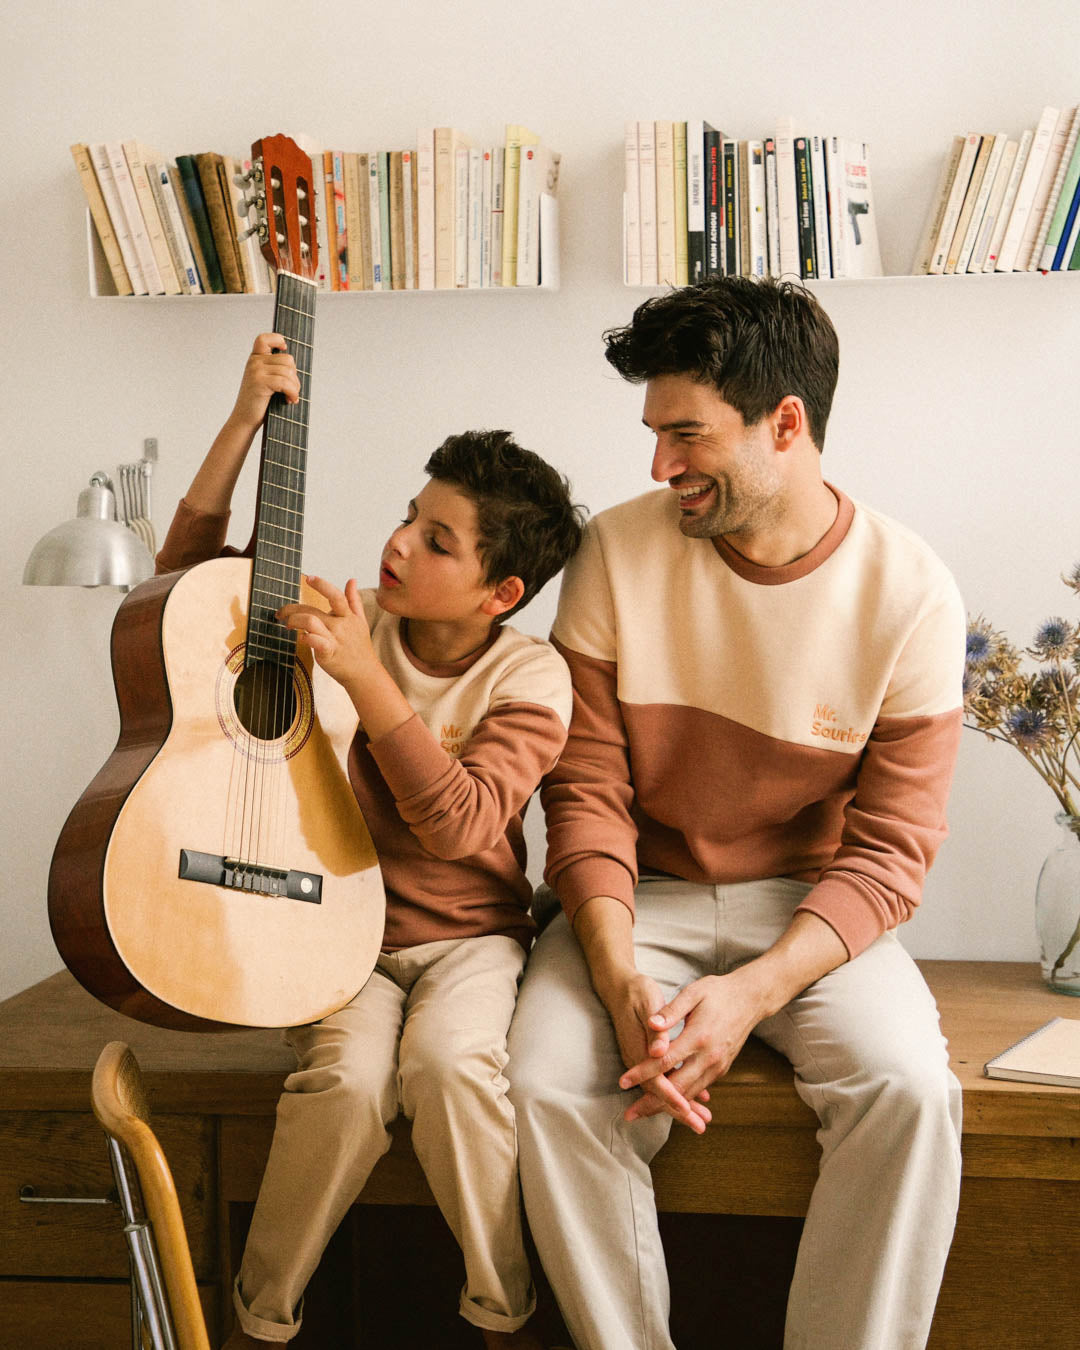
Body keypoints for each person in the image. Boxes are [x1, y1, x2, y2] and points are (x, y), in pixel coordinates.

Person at [507, 276, 966, 1350]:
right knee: (546, 1083)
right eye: (654, 433)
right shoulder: (618, 553)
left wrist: (753, 994)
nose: (660, 466)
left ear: (786, 424)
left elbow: (893, 854)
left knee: (908, 1092)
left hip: (808, 910)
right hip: (637, 901)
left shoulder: (911, 593)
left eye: (686, 434)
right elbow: (586, 795)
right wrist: (620, 978)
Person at [155, 333, 586, 1350]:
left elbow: (464, 825)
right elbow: (180, 586)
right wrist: (239, 424)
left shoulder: (531, 678)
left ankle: (502, 1309)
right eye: (409, 517)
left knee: (448, 1069)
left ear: (500, 594)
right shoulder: (343, 625)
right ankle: (257, 1320)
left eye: (440, 541)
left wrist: (364, 681)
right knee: (344, 1087)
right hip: (338, 935)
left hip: (473, 941)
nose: (401, 546)